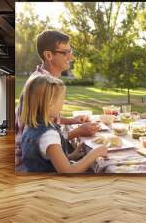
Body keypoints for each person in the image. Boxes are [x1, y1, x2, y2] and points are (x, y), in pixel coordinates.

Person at [15, 30, 99, 168]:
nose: (71, 57)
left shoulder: (45, 82)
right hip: (29, 165)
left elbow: (44, 118)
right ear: (48, 55)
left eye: (70, 51)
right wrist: (78, 131)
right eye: (65, 52)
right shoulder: (41, 85)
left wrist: (72, 121)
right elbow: (39, 138)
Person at [20, 75, 108, 173]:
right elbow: (68, 172)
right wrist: (94, 154)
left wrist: (70, 156)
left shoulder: (31, 126)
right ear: (49, 104)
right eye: (61, 100)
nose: (63, 102)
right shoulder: (48, 135)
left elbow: (44, 159)